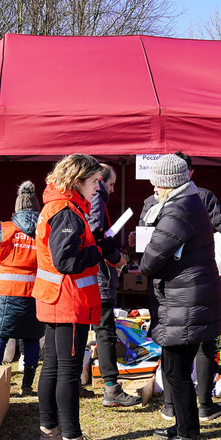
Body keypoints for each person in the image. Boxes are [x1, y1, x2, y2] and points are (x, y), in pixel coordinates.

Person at [140, 151, 221, 422]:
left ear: (171, 181)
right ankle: (189, 419)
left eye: (158, 182)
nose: (154, 188)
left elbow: (149, 261)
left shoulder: (177, 208)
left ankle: (185, 429)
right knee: (186, 360)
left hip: (183, 297)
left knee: (178, 369)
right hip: (189, 294)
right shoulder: (192, 200)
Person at [33, 153, 114, 440]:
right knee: (66, 372)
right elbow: (66, 261)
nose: (98, 187)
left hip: (56, 298)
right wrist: (99, 251)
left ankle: (49, 434)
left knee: (52, 369)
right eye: (94, 181)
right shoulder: (66, 211)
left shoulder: (56, 206)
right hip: (68, 301)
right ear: (77, 181)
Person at [87, 164, 141, 407]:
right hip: (100, 276)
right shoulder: (96, 198)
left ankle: (76, 382)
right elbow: (96, 232)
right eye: (110, 184)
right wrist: (114, 256)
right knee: (105, 331)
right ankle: (111, 387)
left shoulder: (87, 198)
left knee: (86, 332)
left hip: (92, 275)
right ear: (99, 180)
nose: (112, 189)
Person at [0, 180, 44, 396]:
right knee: (31, 337)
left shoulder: (7, 229)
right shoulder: (43, 230)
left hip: (6, 293)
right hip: (34, 293)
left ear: (16, 208)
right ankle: (27, 385)